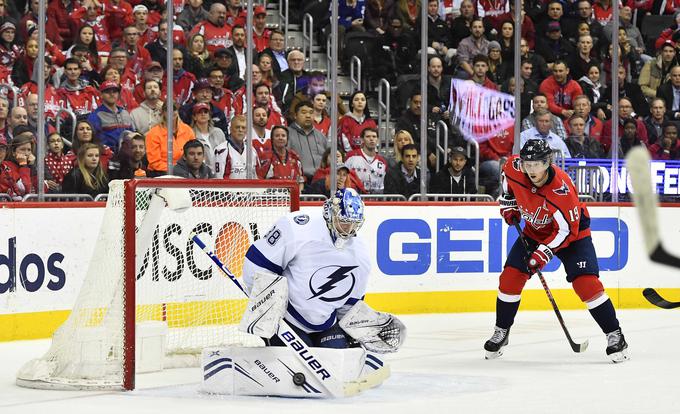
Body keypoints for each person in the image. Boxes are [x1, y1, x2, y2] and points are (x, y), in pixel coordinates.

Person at [485, 139, 628, 363]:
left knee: (586, 285)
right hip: (534, 232)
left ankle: (615, 334)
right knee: (510, 279)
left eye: (537, 164)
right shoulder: (513, 167)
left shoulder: (561, 189)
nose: (531, 170)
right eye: (527, 164)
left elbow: (566, 230)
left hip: (573, 237)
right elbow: (507, 184)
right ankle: (502, 331)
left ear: (547, 162)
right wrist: (509, 205)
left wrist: (542, 254)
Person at [242, 188, 404, 352]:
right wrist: (266, 307)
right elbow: (257, 263)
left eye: (354, 224)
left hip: (327, 324)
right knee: (297, 367)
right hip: (286, 320)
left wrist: (360, 329)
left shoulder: (360, 254)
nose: (348, 230)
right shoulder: (297, 227)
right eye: (344, 221)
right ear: (331, 213)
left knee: (337, 361)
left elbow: (350, 306)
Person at [145, 101, 196, 177]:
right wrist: (176, 170)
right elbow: (154, 162)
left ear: (177, 111)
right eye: (167, 110)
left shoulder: (188, 130)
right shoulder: (153, 133)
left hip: (185, 171)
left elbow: (194, 152)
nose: (171, 112)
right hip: (159, 173)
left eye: (174, 109)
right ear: (163, 112)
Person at [257, 125, 304, 190]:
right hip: (272, 196)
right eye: (277, 136)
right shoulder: (266, 157)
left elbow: (300, 181)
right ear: (272, 139)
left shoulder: (294, 156)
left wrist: (299, 195)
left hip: (293, 196)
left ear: (287, 139)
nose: (280, 138)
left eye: (283, 136)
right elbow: (260, 181)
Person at [213, 115, 259, 179]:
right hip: (229, 188)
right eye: (237, 127)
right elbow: (219, 179)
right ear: (231, 129)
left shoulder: (252, 151)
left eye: (243, 128)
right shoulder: (221, 150)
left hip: (248, 188)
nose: (240, 130)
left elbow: (255, 177)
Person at [345, 128, 388, 194]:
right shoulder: (351, 157)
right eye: (368, 136)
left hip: (376, 200)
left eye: (374, 136)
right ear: (362, 139)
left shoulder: (383, 162)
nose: (371, 139)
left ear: (378, 140)